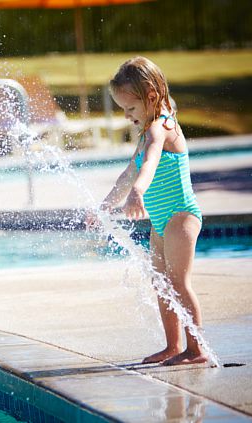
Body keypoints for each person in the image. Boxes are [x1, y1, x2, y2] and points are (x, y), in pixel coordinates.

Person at [86, 56, 207, 366]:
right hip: (161, 223)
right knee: (162, 284)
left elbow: (151, 163)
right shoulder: (144, 133)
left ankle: (196, 349)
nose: (126, 116)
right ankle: (172, 345)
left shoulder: (162, 127)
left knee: (179, 283)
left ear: (151, 97)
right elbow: (128, 174)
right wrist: (106, 206)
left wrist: (138, 191)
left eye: (130, 108)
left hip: (181, 216)